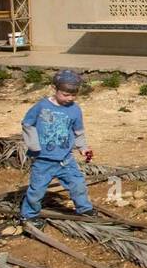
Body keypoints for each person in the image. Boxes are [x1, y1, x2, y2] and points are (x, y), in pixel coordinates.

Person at [21, 70, 95, 225]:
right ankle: (29, 215)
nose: (69, 98)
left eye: (73, 95)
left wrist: (83, 147)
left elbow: (78, 132)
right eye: (65, 95)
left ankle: (85, 209)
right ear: (54, 89)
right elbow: (27, 123)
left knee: (78, 184)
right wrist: (34, 145)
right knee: (37, 190)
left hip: (66, 159)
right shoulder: (42, 106)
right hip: (43, 160)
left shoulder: (75, 110)